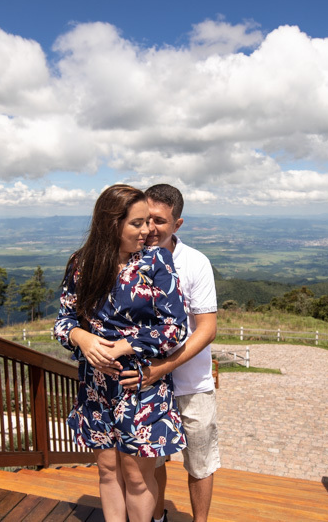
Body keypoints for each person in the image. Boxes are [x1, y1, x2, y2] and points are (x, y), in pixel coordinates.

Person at [53, 184, 189, 522]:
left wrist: (130, 344)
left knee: (137, 477)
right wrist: (81, 337)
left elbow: (177, 328)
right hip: (96, 388)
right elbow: (63, 320)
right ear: (111, 224)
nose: (147, 231)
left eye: (148, 222)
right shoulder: (82, 263)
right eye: (137, 223)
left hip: (139, 385)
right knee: (107, 470)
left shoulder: (157, 262)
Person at [119, 184, 220, 522]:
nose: (150, 228)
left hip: (192, 382)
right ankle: (157, 516)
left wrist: (162, 367)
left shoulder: (195, 262)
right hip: (146, 385)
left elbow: (206, 329)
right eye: (145, 219)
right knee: (153, 460)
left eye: (160, 221)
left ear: (177, 224)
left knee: (200, 462)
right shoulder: (130, 259)